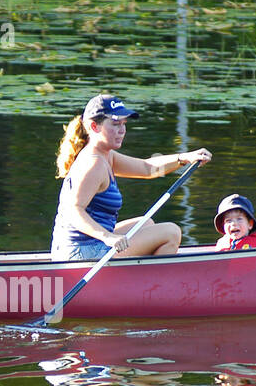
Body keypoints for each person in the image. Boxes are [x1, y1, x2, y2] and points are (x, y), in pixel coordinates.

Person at [51, 93, 212, 261]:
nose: (122, 130)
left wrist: (184, 158)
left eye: (123, 123)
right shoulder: (93, 164)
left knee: (146, 223)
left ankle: (140, 277)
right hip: (79, 252)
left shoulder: (106, 155)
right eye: (115, 124)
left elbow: (147, 168)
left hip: (84, 246)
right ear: (94, 127)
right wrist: (107, 236)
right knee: (171, 232)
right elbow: (72, 211)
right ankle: (152, 286)